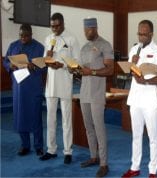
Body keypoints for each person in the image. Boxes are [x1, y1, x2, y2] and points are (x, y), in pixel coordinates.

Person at [122, 20, 157, 178]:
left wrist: (145, 80)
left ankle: (153, 170)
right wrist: (131, 63)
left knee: (153, 137)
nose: (140, 37)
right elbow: (127, 72)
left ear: (151, 34)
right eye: (139, 33)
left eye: (144, 34)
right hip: (135, 98)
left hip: (150, 99)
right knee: (136, 135)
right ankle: (135, 166)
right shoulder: (134, 49)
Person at [74, 17, 114, 177]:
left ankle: (104, 163)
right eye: (84, 30)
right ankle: (93, 157)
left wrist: (93, 72)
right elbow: (83, 70)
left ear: (95, 28)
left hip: (97, 93)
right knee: (88, 128)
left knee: (99, 129)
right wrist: (75, 71)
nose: (86, 32)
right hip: (84, 92)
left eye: (88, 30)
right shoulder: (84, 48)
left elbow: (110, 70)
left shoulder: (105, 45)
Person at [39, 12, 80, 164]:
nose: (54, 29)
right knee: (50, 118)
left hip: (65, 82)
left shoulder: (72, 38)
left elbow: (76, 63)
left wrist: (62, 65)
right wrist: (47, 57)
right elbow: (44, 61)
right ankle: (51, 149)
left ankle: (68, 151)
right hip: (51, 84)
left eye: (57, 26)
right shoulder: (48, 38)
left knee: (66, 119)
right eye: (52, 26)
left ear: (62, 24)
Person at [3, 24, 45, 156]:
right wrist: (10, 65)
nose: (23, 38)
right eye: (21, 35)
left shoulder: (39, 47)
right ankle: (25, 145)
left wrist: (34, 66)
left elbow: (44, 66)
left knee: (35, 117)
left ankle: (38, 146)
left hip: (33, 88)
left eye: (26, 36)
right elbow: (5, 61)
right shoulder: (13, 46)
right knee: (21, 116)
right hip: (19, 88)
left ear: (31, 35)